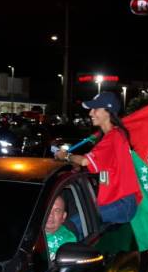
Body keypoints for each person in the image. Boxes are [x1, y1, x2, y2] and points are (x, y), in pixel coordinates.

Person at [55, 92, 141, 226]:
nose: (90, 113)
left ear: (108, 111)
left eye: (95, 109)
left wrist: (65, 156)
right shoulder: (112, 136)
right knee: (81, 219)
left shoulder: (114, 137)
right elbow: (102, 171)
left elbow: (86, 161)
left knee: (74, 225)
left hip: (122, 204)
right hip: (117, 201)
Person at [45, 195, 77, 260]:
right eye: (48, 209)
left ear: (63, 216)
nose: (50, 214)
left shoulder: (68, 239)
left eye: (57, 210)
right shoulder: (27, 232)